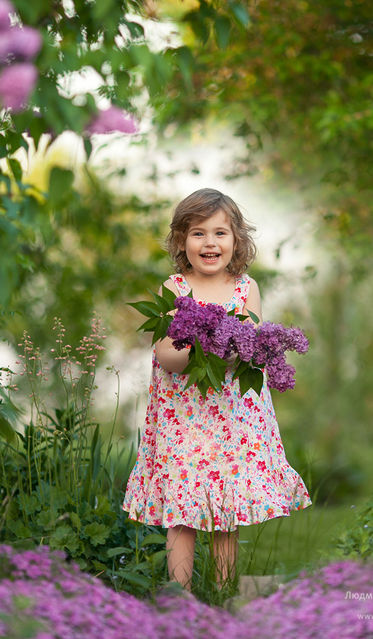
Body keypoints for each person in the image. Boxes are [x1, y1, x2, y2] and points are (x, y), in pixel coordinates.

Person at [123, 188, 311, 590]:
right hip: (183, 416)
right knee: (182, 511)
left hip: (233, 416)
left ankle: (225, 592)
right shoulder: (174, 288)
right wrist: (197, 348)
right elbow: (167, 356)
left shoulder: (246, 288)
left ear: (237, 240)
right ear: (180, 242)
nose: (210, 243)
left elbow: (251, 345)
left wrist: (231, 347)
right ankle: (181, 594)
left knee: (228, 508)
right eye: (198, 233)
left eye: (220, 233)